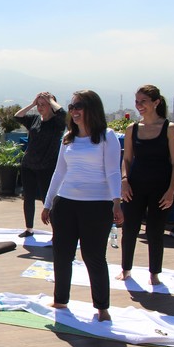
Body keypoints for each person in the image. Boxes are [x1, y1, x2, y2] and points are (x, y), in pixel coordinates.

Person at [41, 90, 123, 322]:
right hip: (66, 204)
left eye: (79, 106)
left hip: (97, 206)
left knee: (93, 256)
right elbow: (59, 172)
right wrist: (48, 203)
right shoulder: (68, 138)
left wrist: (117, 202)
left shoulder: (107, 136)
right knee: (62, 254)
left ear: (92, 109)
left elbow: (113, 172)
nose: (74, 111)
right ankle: (60, 299)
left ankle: (102, 307)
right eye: (72, 107)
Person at [118, 85, 174, 285]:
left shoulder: (170, 128)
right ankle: (126, 269)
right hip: (135, 186)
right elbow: (126, 159)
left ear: (156, 102)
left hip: (161, 188)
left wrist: (171, 190)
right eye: (137, 101)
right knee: (129, 228)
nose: (139, 105)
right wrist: (125, 180)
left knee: (155, 231)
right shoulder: (132, 129)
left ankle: (154, 273)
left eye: (143, 101)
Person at [15, 92, 67, 237]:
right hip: (28, 165)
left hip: (47, 166)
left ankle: (56, 231)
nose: (40, 107)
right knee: (28, 197)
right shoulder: (34, 120)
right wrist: (32, 103)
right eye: (39, 105)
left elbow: (64, 114)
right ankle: (29, 228)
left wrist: (50, 100)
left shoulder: (58, 123)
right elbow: (17, 116)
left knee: (48, 199)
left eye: (44, 105)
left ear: (51, 106)